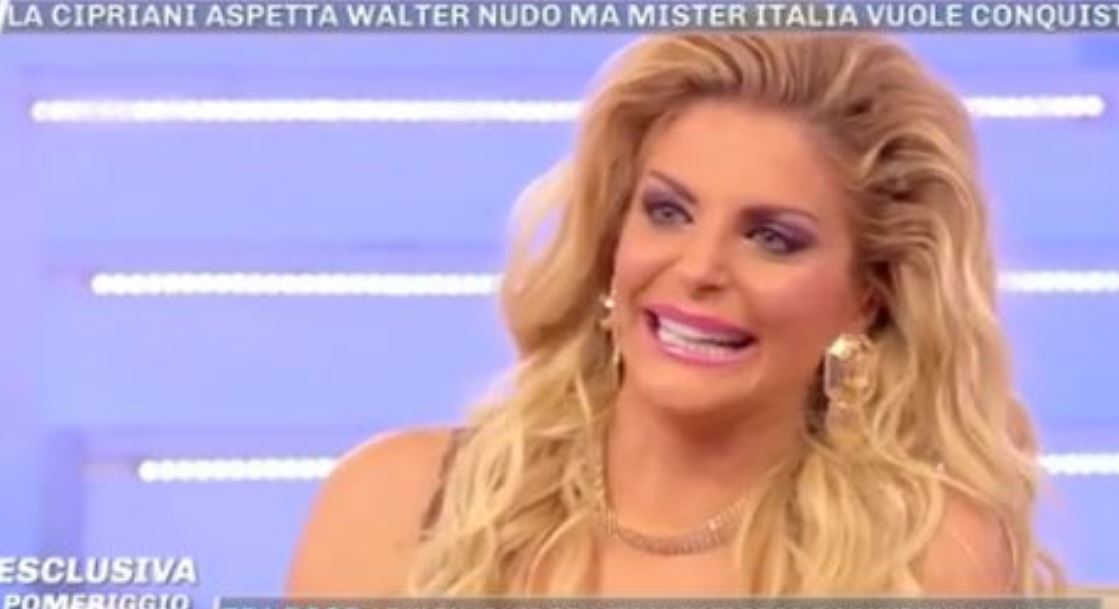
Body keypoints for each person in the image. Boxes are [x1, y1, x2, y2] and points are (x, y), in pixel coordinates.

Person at [287, 32, 1064, 597]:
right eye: (668, 211)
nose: (698, 269)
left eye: (772, 238)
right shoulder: (393, 504)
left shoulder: (925, 557)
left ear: (869, 293)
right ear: (612, 238)